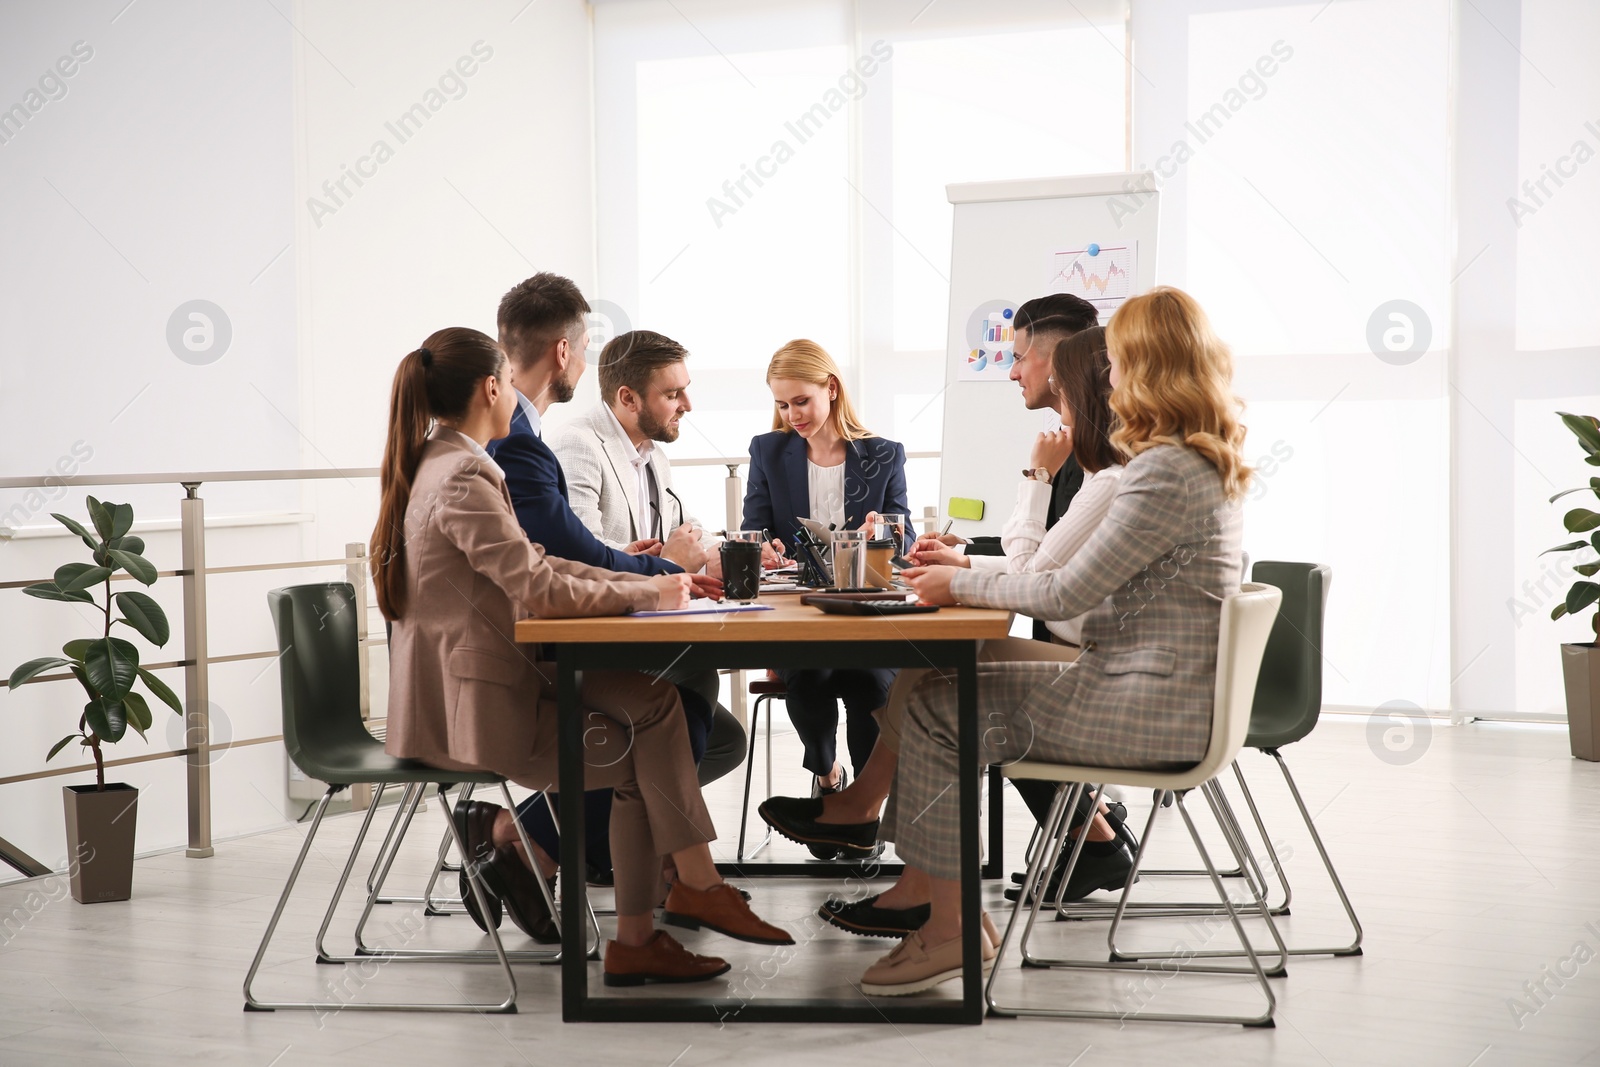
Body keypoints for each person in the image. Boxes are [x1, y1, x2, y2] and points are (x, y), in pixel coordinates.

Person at [857, 286, 1251, 995]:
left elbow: (1064, 592)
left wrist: (960, 586)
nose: (1110, 378)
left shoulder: (1162, 470)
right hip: (1161, 692)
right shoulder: (1197, 459)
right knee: (946, 691)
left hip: (1147, 706)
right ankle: (948, 911)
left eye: (1119, 362)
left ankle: (945, 924)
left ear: (1148, 366)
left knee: (935, 708)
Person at [373, 327, 791, 987]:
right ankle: (646, 929)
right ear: (491, 388)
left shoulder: (444, 459)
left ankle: (686, 893)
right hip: (473, 708)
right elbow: (537, 583)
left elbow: (536, 567)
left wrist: (651, 585)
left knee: (657, 705)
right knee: (650, 757)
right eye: (508, 382)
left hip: (491, 676)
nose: (515, 393)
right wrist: (652, 589)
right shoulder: (463, 473)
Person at [760, 326, 1138, 931]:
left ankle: (908, 868)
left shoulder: (1108, 479)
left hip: (1104, 671)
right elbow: (1034, 565)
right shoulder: (1113, 475)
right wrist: (963, 565)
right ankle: (881, 836)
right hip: (1096, 653)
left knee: (940, 688)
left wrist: (1034, 480)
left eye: (1061, 397)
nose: (1025, 383)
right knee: (931, 666)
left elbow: (1031, 569)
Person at [483, 275, 734, 909]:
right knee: (674, 707)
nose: (685, 406)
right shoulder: (530, 440)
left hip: (567, 627)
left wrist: (664, 565)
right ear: (565, 352)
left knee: (708, 716)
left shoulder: (523, 436)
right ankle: (537, 841)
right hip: (530, 657)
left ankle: (612, 864)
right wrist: (654, 576)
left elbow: (568, 549)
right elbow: (564, 552)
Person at [549, 328, 747, 788]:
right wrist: (671, 565)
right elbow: (577, 556)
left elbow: (684, 532)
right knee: (697, 679)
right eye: (674, 394)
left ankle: (559, 838)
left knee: (726, 741)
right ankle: (571, 840)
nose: (688, 406)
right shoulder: (577, 444)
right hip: (596, 641)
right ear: (628, 397)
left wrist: (736, 553)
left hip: (641, 628)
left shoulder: (651, 454)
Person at [741, 339, 908, 854]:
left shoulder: (882, 454)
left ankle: (861, 806)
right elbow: (754, 527)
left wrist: (886, 532)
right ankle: (830, 779)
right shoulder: (768, 451)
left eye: (801, 402)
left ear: (831, 390)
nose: (792, 415)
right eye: (783, 404)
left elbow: (904, 539)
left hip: (865, 614)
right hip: (799, 612)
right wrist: (766, 548)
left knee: (872, 687)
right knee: (809, 678)